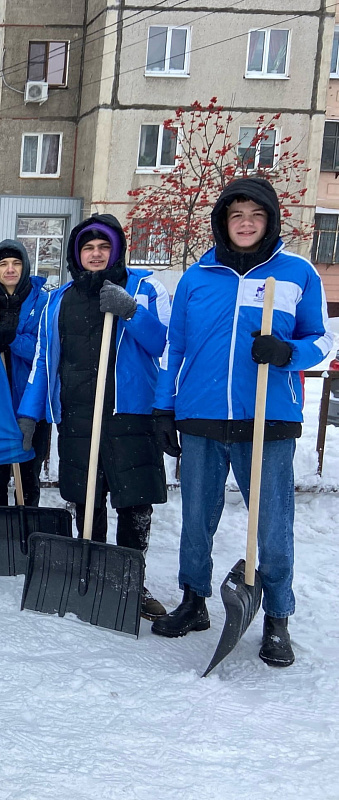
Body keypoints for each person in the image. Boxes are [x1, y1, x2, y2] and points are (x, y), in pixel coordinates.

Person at [150, 178, 332, 667]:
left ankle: (277, 617)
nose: (246, 222)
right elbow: (175, 349)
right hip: (201, 416)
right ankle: (193, 600)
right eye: (237, 215)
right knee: (195, 518)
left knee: (272, 525)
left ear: (269, 220)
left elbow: (323, 340)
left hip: (267, 420)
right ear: (223, 222)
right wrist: (164, 408)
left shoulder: (296, 274)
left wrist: (288, 352)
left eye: (256, 214)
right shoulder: (197, 276)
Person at [17, 214, 170, 620]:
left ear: (117, 250)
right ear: (77, 253)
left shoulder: (144, 287)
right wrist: (30, 414)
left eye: (104, 247)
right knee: (85, 500)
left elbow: (165, 345)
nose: (97, 254)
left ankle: (130, 582)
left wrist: (132, 312)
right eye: (88, 248)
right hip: (77, 415)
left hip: (129, 415)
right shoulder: (58, 299)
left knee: (134, 502)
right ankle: (93, 573)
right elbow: (43, 362)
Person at [0, 240, 50, 507]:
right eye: (3, 264)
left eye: (16, 263)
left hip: (31, 402)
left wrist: (12, 339)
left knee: (28, 473)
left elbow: (44, 349)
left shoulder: (43, 301)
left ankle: (27, 528)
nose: (10, 269)